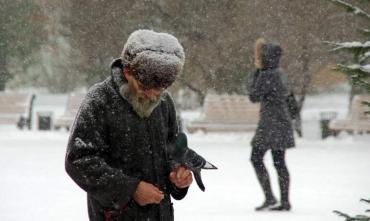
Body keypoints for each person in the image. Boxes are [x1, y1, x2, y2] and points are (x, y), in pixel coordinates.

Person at [65, 29, 193, 221]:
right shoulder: (99, 100)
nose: (152, 95)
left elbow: (173, 151)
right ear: (127, 72)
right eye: (144, 87)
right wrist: (131, 189)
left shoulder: (165, 102)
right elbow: (78, 161)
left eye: (159, 89)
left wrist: (178, 175)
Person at [248, 38, 295, 211]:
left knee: (256, 157)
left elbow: (253, 95)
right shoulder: (280, 72)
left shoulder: (267, 74)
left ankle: (270, 198)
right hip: (281, 121)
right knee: (279, 162)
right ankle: (284, 201)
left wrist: (256, 73)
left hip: (270, 123)